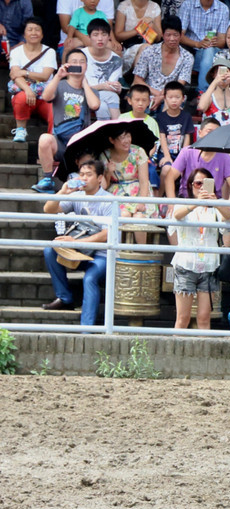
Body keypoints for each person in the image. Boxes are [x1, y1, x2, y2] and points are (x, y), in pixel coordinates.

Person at [40, 162, 114, 324]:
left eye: (89, 174)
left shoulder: (109, 200)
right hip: (79, 252)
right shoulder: (76, 195)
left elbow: (107, 234)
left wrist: (76, 241)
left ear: (100, 178)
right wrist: (63, 191)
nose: (84, 178)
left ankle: (86, 329)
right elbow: (48, 209)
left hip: (101, 255)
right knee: (50, 250)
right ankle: (65, 298)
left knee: (89, 279)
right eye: (81, 174)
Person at [170, 167, 230, 329]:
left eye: (206, 184)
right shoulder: (183, 203)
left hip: (209, 266)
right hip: (186, 264)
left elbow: (229, 218)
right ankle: (176, 351)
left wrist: (215, 202)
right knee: (183, 318)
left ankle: (204, 352)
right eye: (198, 183)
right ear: (190, 185)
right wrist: (197, 203)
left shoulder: (215, 206)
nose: (201, 187)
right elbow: (176, 216)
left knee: (204, 317)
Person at [32, 49, 100, 193]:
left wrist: (85, 84)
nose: (78, 64)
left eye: (82, 62)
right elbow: (46, 96)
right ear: (67, 64)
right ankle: (47, 179)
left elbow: (95, 105)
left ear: (87, 66)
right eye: (74, 62)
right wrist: (58, 76)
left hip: (81, 144)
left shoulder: (90, 90)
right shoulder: (60, 85)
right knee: (44, 138)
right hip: (61, 141)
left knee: (87, 167)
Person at [161, 116, 230, 198]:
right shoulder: (187, 152)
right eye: (209, 132)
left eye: (216, 133)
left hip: (213, 203)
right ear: (200, 132)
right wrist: (172, 204)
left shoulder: (225, 157)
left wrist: (227, 208)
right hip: (187, 201)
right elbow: (169, 177)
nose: (213, 136)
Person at [8, 18, 57, 145]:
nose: (33, 33)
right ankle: (20, 130)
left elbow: (45, 76)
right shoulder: (16, 51)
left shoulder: (49, 52)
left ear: (42, 34)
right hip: (26, 94)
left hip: (45, 95)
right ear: (24, 34)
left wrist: (25, 72)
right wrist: (28, 89)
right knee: (21, 97)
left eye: (37, 30)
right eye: (30, 30)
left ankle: (53, 140)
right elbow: (15, 75)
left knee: (55, 110)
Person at [132, 15, 194, 109]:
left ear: (181, 35)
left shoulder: (187, 57)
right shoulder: (149, 51)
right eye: (168, 35)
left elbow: (179, 85)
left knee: (171, 104)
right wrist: (158, 94)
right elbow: (137, 80)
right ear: (162, 35)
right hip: (149, 94)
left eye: (175, 35)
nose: (172, 39)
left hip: (172, 97)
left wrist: (162, 97)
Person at [177, 0, 229, 91]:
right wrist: (198, 44)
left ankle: (203, 92)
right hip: (190, 47)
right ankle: (203, 91)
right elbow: (179, 35)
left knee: (208, 51)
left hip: (211, 49)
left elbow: (222, 41)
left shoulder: (223, 8)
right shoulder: (187, 5)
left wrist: (211, 42)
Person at [83, 18, 122, 120]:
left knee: (103, 106)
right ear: (89, 37)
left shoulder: (116, 60)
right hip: (83, 94)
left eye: (104, 34)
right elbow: (77, 85)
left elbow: (111, 87)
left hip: (105, 98)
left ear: (109, 37)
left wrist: (117, 88)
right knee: (112, 97)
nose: (100, 39)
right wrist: (102, 86)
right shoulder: (81, 55)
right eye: (95, 35)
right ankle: (118, 128)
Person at [153, 80, 191, 173]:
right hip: (165, 153)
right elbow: (162, 138)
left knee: (186, 170)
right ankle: (161, 188)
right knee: (166, 169)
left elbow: (187, 138)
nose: (174, 100)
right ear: (165, 98)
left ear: (183, 98)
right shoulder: (161, 117)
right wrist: (167, 156)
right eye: (170, 97)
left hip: (181, 153)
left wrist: (183, 156)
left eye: (177, 97)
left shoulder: (186, 116)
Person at [197, 58, 230, 126]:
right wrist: (215, 81)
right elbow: (202, 107)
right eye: (218, 72)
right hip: (212, 135)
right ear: (213, 75)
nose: (223, 76)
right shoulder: (209, 95)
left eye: (227, 72)